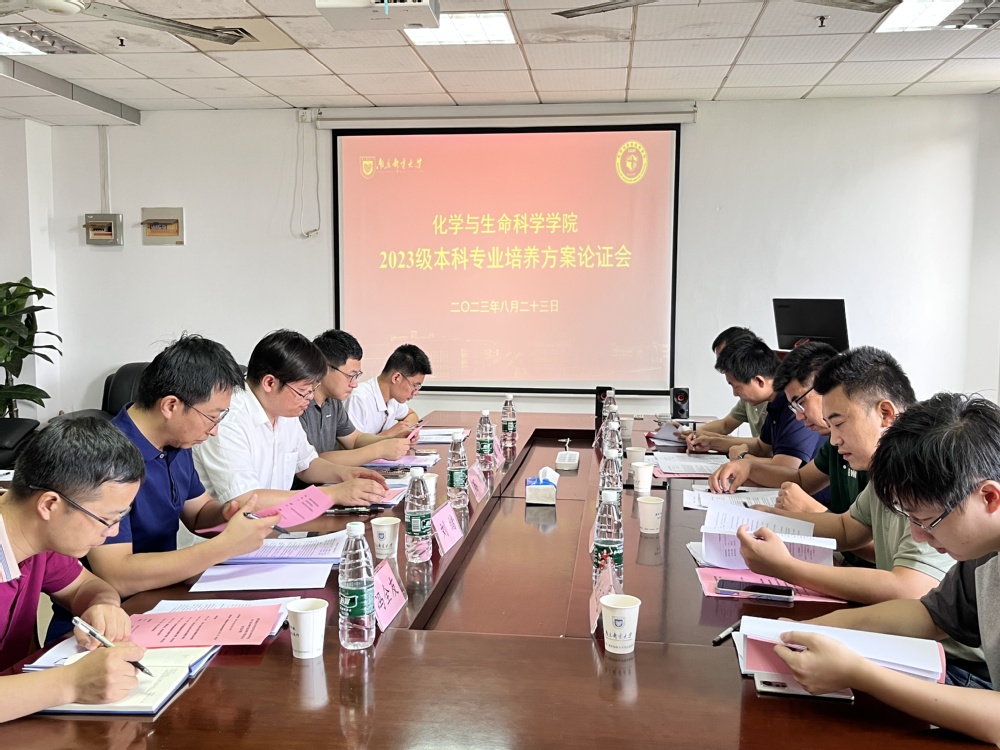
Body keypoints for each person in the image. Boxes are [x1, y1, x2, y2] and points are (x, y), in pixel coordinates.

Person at [773, 394, 1000, 742]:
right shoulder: (982, 552)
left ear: (989, 498)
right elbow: (929, 615)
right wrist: (814, 629)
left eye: (927, 521)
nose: (917, 535)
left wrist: (860, 674)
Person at [733, 348, 980, 619]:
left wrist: (787, 568)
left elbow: (909, 588)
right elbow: (847, 528)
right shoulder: (885, 466)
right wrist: (769, 519)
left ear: (885, 413)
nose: (834, 439)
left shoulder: (930, 467)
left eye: (839, 424)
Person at [0, 417, 147, 722]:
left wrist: (103, 606)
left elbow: (85, 586)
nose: (113, 532)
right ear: (49, 505)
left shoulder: (39, 539)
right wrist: (71, 683)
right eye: (107, 519)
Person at [193, 330, 388, 508]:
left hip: (278, 525)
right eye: (303, 391)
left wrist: (345, 474)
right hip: (232, 533)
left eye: (312, 389)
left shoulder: (284, 409)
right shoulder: (228, 419)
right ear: (269, 382)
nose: (310, 398)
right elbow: (244, 499)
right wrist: (333, 494)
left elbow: (307, 464)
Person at [709, 342, 846, 511]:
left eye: (800, 403)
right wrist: (748, 467)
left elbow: (852, 526)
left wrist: (809, 510)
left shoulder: (868, 449)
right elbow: (801, 479)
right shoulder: (834, 442)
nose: (798, 416)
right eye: (793, 407)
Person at [692, 336, 821, 476]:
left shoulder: (794, 406)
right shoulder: (775, 403)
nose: (735, 394)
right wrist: (711, 443)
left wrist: (742, 457)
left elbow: (786, 466)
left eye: (736, 387)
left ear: (759, 381)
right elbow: (762, 447)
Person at [300, 330, 414, 465]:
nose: (354, 384)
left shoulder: (333, 402)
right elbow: (310, 462)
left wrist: (391, 439)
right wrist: (379, 450)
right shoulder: (299, 404)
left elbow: (354, 439)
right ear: (323, 368)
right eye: (350, 375)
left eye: (356, 376)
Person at [684, 326, 765, 442]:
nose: (721, 368)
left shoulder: (776, 396)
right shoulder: (747, 392)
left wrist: (713, 440)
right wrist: (689, 432)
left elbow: (763, 447)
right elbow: (725, 425)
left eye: (724, 361)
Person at [347, 344, 432, 436]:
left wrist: (406, 431)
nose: (416, 392)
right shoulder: (358, 399)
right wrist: (391, 434)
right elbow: (353, 443)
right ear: (396, 378)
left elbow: (411, 415)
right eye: (414, 386)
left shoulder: (393, 398)